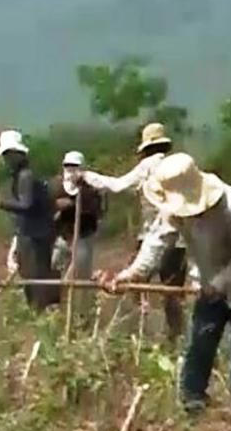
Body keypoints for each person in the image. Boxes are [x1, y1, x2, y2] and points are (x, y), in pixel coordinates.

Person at [98, 153, 231, 415]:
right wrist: (131, 274)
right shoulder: (174, 211)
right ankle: (193, 401)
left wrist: (219, 283)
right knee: (200, 338)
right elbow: (157, 242)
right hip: (208, 281)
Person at [79, 123, 186, 341]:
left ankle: (142, 329)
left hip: (154, 234)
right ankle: (175, 336)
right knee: (172, 292)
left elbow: (119, 185)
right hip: (180, 237)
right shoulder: (178, 165)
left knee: (135, 282)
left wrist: (88, 177)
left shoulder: (148, 165)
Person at [0, 129, 59, 310]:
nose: (6, 160)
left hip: (36, 236)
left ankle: (43, 314)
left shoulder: (25, 176)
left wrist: (0, 202)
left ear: (17, 154)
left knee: (37, 278)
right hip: (28, 233)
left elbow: (26, 204)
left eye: (9, 155)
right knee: (29, 276)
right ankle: (39, 313)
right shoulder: (19, 176)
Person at [52, 150, 102, 282]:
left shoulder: (91, 189)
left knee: (79, 276)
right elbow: (50, 206)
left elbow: (95, 211)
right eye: (68, 166)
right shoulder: (58, 186)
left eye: (75, 167)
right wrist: (56, 206)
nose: (71, 170)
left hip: (82, 237)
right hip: (62, 237)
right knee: (53, 267)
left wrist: (74, 205)